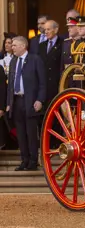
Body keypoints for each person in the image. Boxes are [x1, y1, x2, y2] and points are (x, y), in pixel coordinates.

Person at [5, 36, 45, 171]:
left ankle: (34, 161)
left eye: (15, 45)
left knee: (31, 133)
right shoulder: (13, 61)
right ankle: (24, 160)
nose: (12, 47)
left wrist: (40, 100)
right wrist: (9, 102)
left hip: (31, 101)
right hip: (16, 102)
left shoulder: (35, 60)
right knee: (20, 134)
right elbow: (10, 84)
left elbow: (42, 83)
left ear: (23, 46)